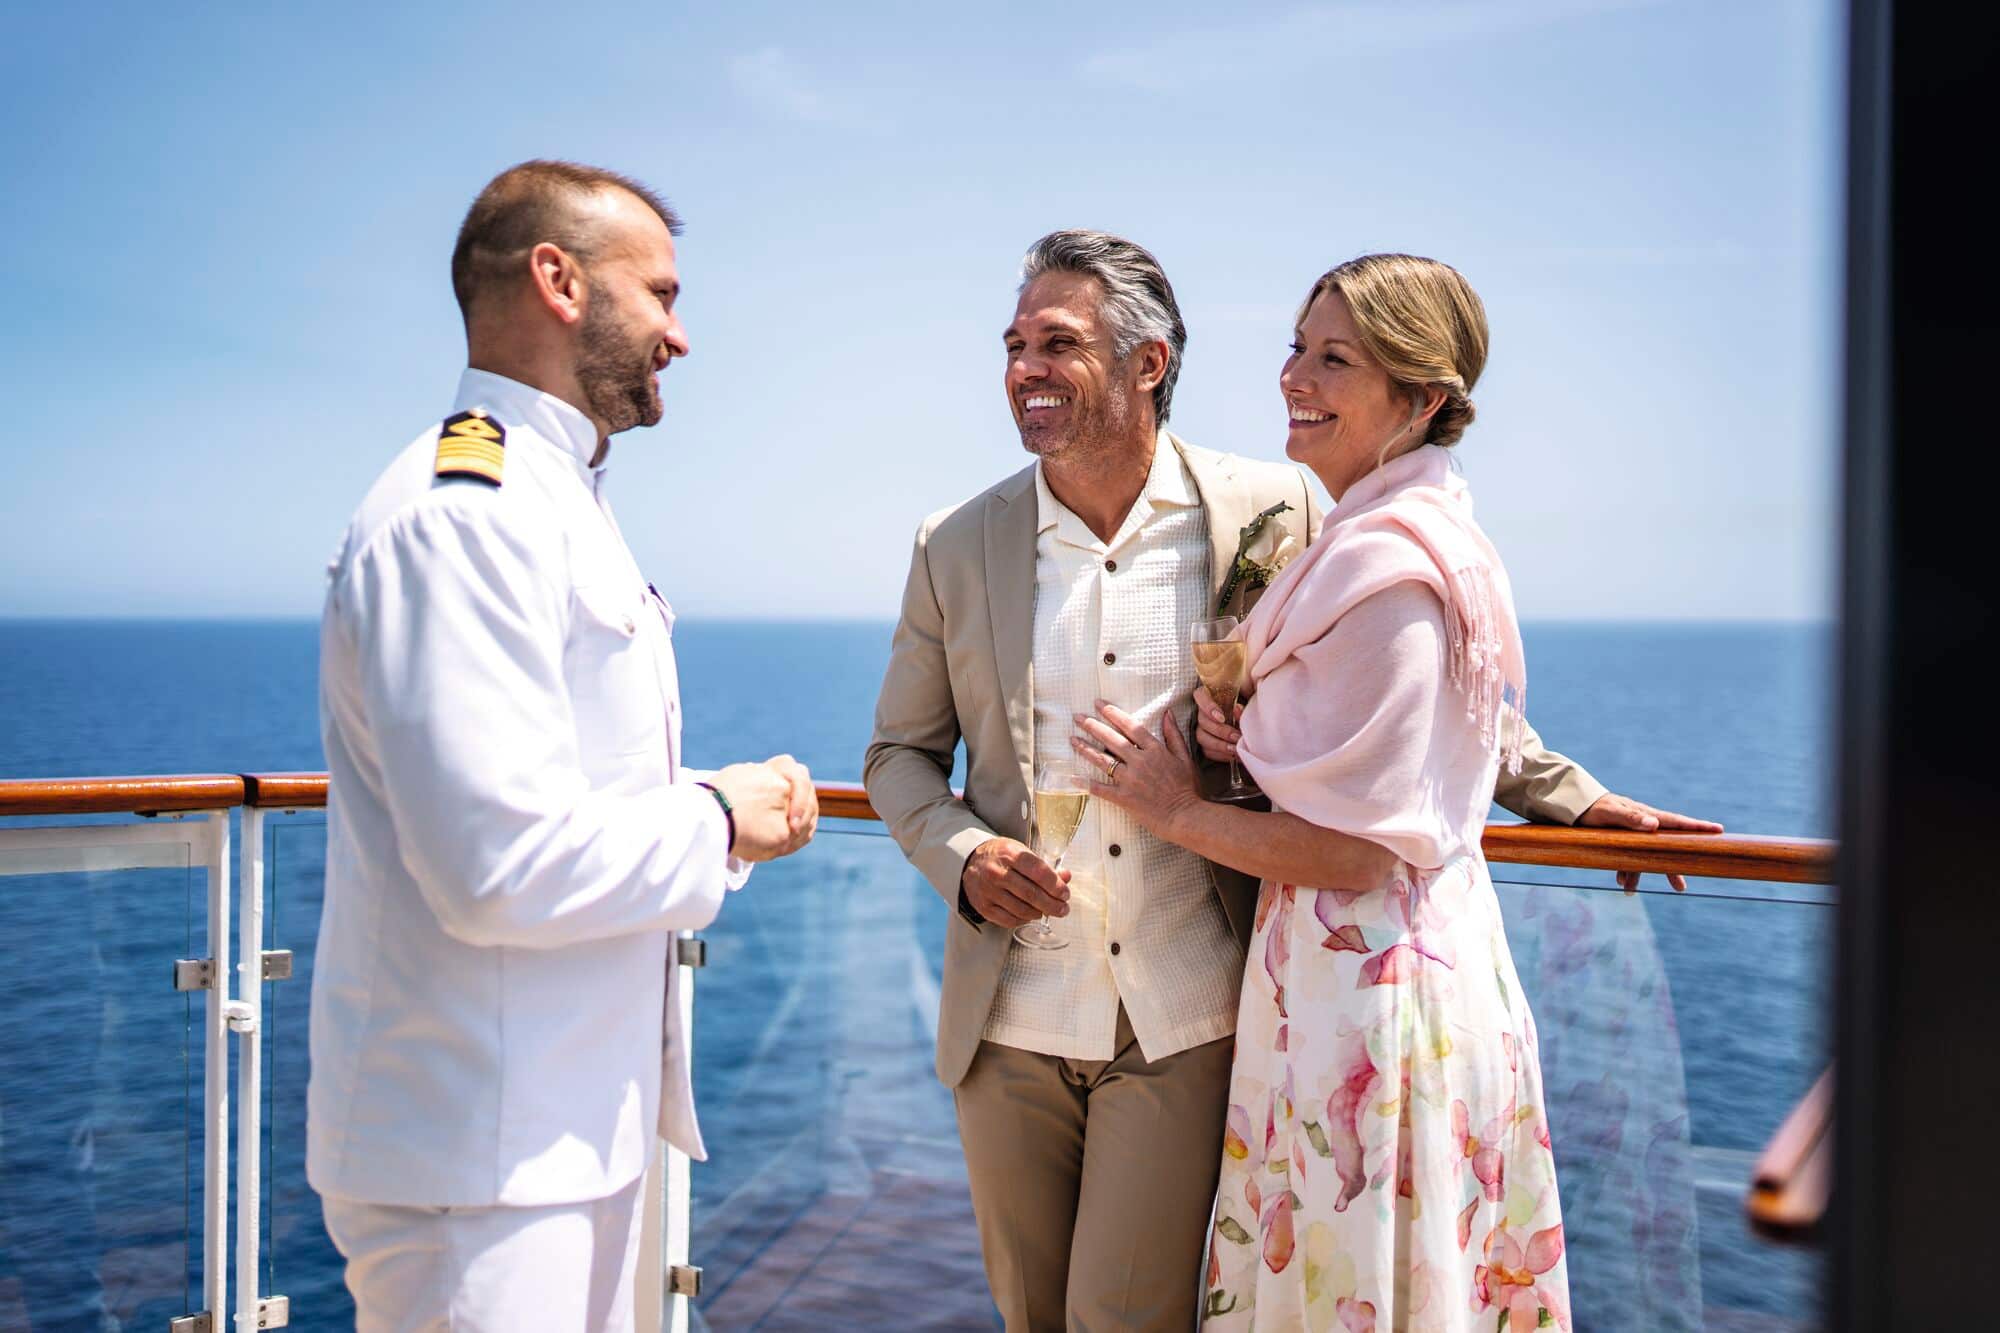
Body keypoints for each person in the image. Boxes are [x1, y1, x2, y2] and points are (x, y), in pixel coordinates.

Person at [864, 232, 1692, 1331]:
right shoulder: (952, 544)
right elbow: (897, 759)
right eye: (1013, 343)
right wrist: (964, 858)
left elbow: (1424, 684)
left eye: (1056, 342)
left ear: (1146, 362)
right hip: (1008, 1017)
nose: (1023, 367)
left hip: (1187, 1012)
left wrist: (1565, 791)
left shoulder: (1276, 511)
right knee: (1030, 1316)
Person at [308, 160, 818, 1332]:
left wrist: (698, 804)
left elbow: (556, 790)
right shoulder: (462, 514)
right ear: (559, 281)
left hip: (565, 1134)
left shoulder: (549, 495)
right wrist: (718, 820)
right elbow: (497, 864)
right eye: (660, 294)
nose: (679, 336)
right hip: (475, 1164)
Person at [1075, 253, 1571, 1330]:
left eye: (1335, 358)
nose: (1295, 375)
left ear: (1422, 398)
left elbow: (1364, 848)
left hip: (1371, 1000)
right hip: (1356, 979)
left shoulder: (1390, 572)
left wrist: (1174, 809)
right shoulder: (1381, 541)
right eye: (1297, 346)